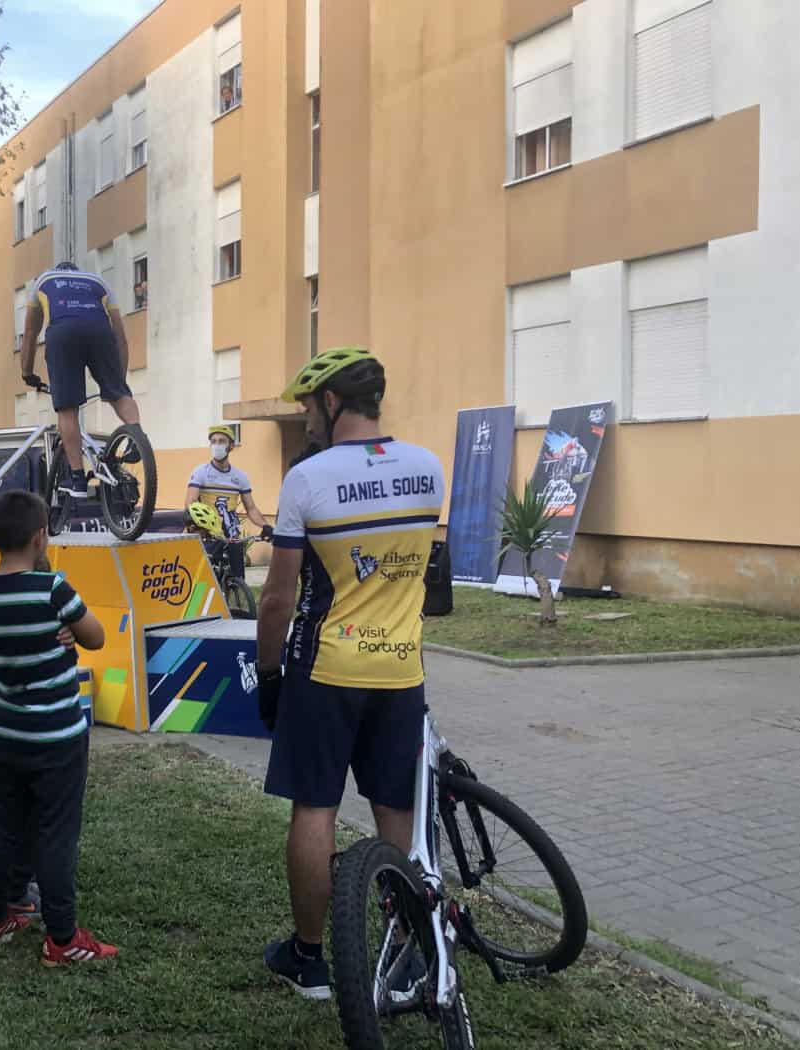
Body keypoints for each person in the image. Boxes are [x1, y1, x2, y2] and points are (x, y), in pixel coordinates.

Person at [254, 347, 444, 1000]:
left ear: (331, 403)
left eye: (309, 405)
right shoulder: (428, 468)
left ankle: (309, 960)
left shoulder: (308, 479)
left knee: (316, 808)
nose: (306, 418)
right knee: (397, 813)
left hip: (327, 667)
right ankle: (413, 954)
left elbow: (278, 597)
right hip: (401, 670)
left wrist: (270, 674)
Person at [0, 490, 117, 965]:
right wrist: (72, 629)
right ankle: (62, 937)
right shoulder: (53, 588)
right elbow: (96, 636)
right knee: (56, 835)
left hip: (7, 735)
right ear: (40, 537)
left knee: (2, 824)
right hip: (56, 738)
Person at [19, 261, 145, 502]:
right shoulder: (99, 282)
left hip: (63, 334)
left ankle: (77, 478)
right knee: (119, 394)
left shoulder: (42, 281)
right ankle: (137, 439)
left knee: (67, 410)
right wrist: (118, 379)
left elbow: (30, 335)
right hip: (101, 333)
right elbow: (120, 337)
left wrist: (26, 372)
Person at [185, 425, 274, 581]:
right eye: (213, 441)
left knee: (237, 580)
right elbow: (190, 503)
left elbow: (251, 508)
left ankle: (233, 602)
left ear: (231, 446)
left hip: (232, 535)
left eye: (221, 441)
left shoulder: (240, 476)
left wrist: (265, 526)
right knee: (204, 582)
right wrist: (196, 525)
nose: (216, 445)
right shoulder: (201, 472)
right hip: (208, 535)